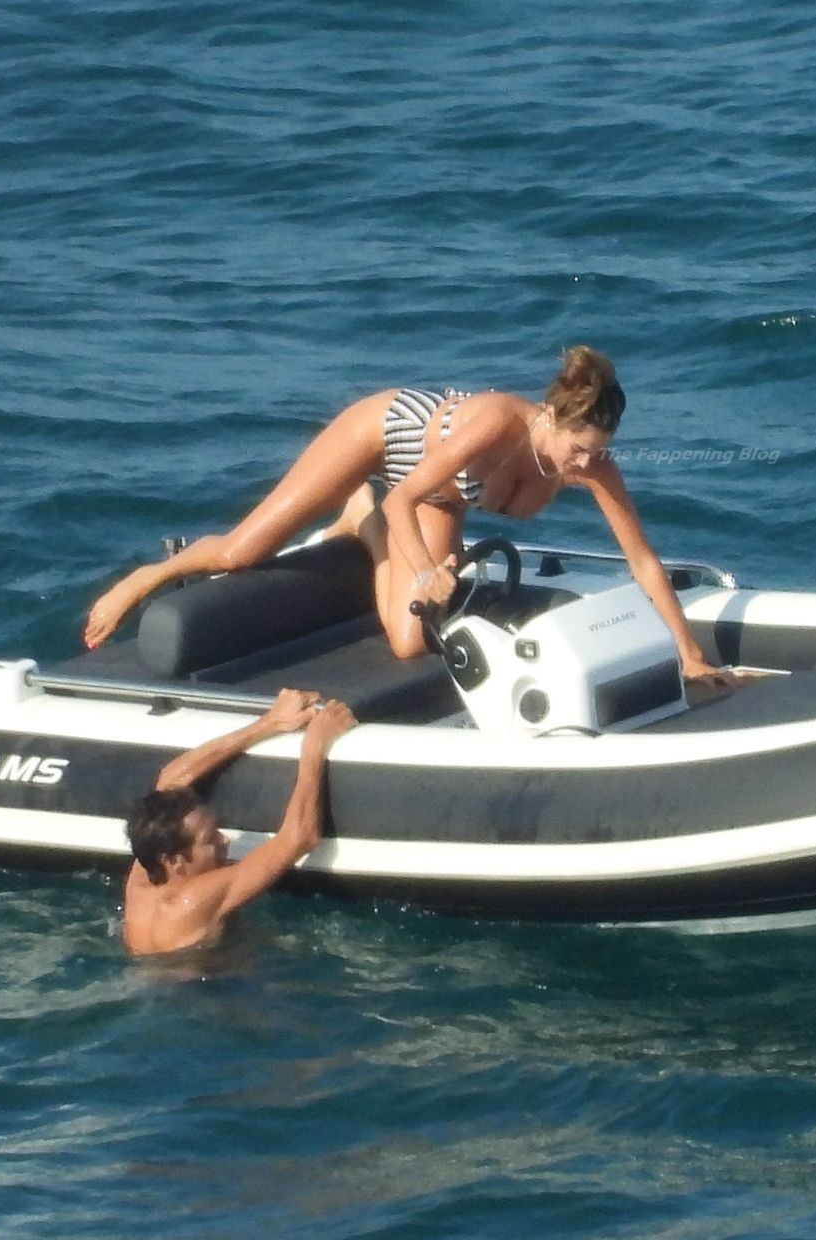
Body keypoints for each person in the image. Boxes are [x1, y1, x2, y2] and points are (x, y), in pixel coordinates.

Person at [83, 346, 722, 678]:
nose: (585, 463)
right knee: (241, 553)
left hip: (438, 494)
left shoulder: (594, 467)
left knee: (409, 643)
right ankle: (147, 576)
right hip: (386, 436)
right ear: (550, 417)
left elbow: (643, 561)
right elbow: (403, 496)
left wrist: (689, 653)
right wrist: (423, 570)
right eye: (577, 448)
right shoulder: (497, 425)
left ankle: (363, 526)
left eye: (597, 451)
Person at [121, 687, 356, 956]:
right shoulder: (192, 900)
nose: (225, 839)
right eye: (210, 839)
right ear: (174, 861)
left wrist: (270, 722)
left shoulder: (143, 879)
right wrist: (315, 742)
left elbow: (170, 779)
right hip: (212, 977)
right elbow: (300, 837)